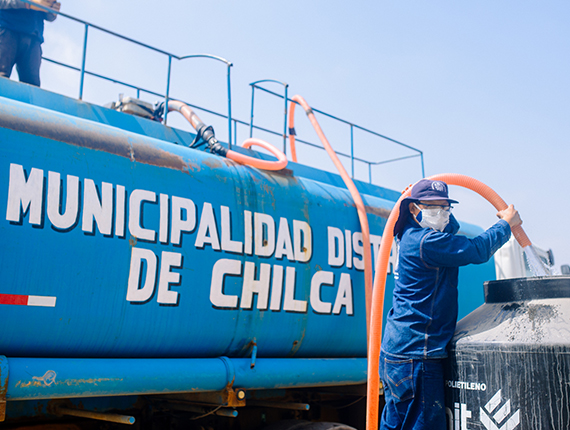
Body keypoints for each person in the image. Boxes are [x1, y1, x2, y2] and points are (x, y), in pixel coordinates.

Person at [379, 179, 521, 430]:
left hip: (399, 352)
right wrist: (505, 224)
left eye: (445, 208)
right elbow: (475, 250)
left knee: (397, 424)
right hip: (417, 355)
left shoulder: (410, 236)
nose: (441, 214)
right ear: (414, 209)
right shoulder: (426, 242)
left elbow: (449, 230)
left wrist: (442, 216)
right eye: (432, 208)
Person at [0, 0, 60, 87]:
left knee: (32, 86)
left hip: (33, 37)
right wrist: (27, 3)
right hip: (7, 31)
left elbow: (49, 14)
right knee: (1, 77)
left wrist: (52, 10)